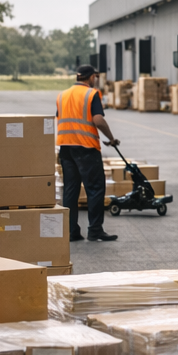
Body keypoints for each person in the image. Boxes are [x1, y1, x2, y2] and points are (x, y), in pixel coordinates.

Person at [56, 65, 121, 243]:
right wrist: (111, 138)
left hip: (65, 147)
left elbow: (60, 118)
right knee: (95, 188)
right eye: (95, 77)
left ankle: (71, 231)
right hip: (85, 147)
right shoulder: (91, 94)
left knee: (70, 190)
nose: (96, 80)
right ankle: (95, 230)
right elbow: (98, 119)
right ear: (91, 77)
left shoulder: (62, 95)